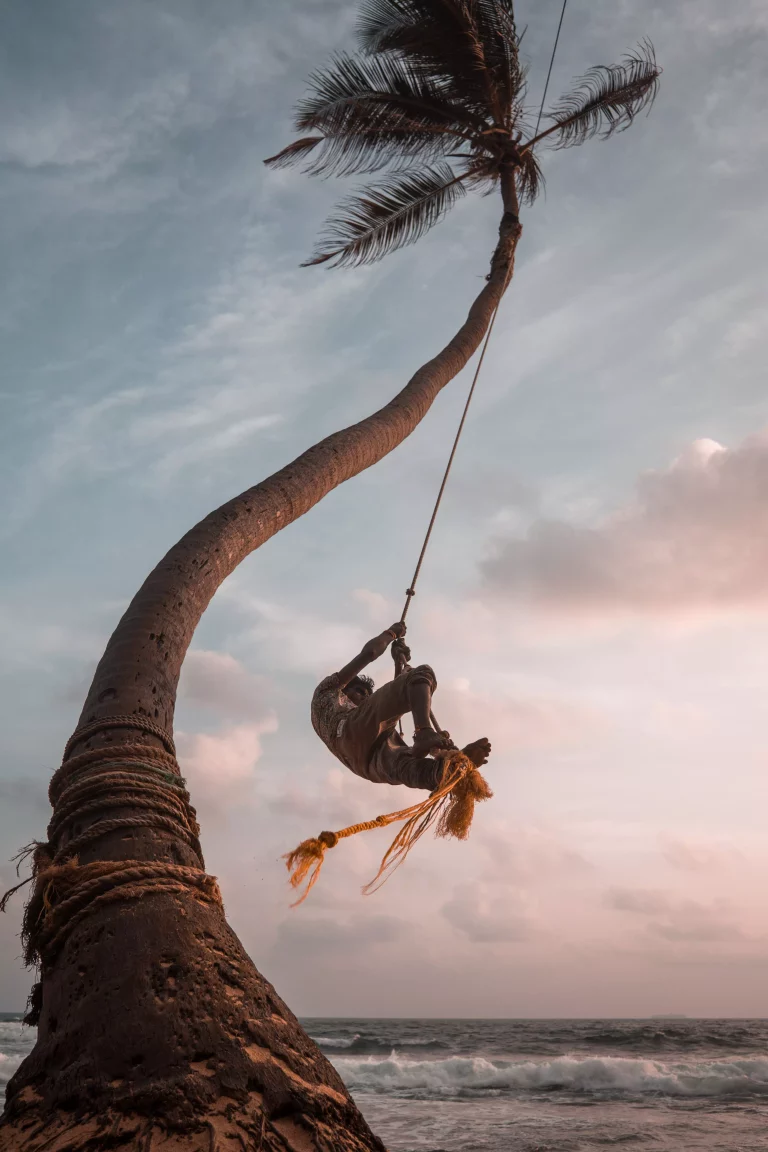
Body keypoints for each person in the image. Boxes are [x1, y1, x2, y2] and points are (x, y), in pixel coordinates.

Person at [311, 621, 491, 792]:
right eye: (358, 691)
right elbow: (370, 653)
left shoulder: (364, 718)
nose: (362, 698)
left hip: (367, 763)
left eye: (367, 696)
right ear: (345, 689)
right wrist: (390, 633)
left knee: (409, 767)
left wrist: (398, 663)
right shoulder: (328, 691)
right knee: (421, 674)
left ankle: (452, 770)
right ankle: (423, 731)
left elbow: (388, 710)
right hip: (348, 734)